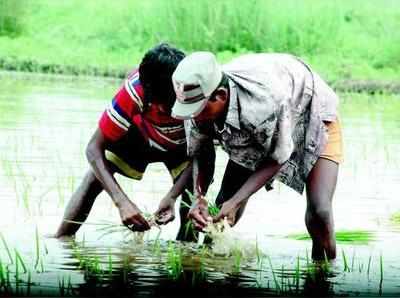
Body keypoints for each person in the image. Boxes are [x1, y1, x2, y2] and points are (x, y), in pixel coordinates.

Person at [171, 52, 343, 260]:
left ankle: (324, 274)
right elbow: (201, 153)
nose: (193, 115)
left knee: (319, 212)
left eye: (197, 109)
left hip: (311, 109)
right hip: (255, 127)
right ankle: (211, 268)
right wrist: (199, 197)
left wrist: (237, 201)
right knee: (221, 210)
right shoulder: (195, 103)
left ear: (221, 96)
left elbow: (279, 157)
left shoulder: (264, 102)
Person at [55, 44, 214, 241]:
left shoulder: (195, 93)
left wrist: (172, 196)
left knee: (192, 193)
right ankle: (61, 241)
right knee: (93, 178)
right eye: (169, 103)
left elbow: (203, 156)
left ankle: (186, 253)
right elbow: (93, 149)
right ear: (149, 94)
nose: (175, 108)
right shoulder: (134, 92)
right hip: (139, 139)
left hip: (181, 145)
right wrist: (122, 202)